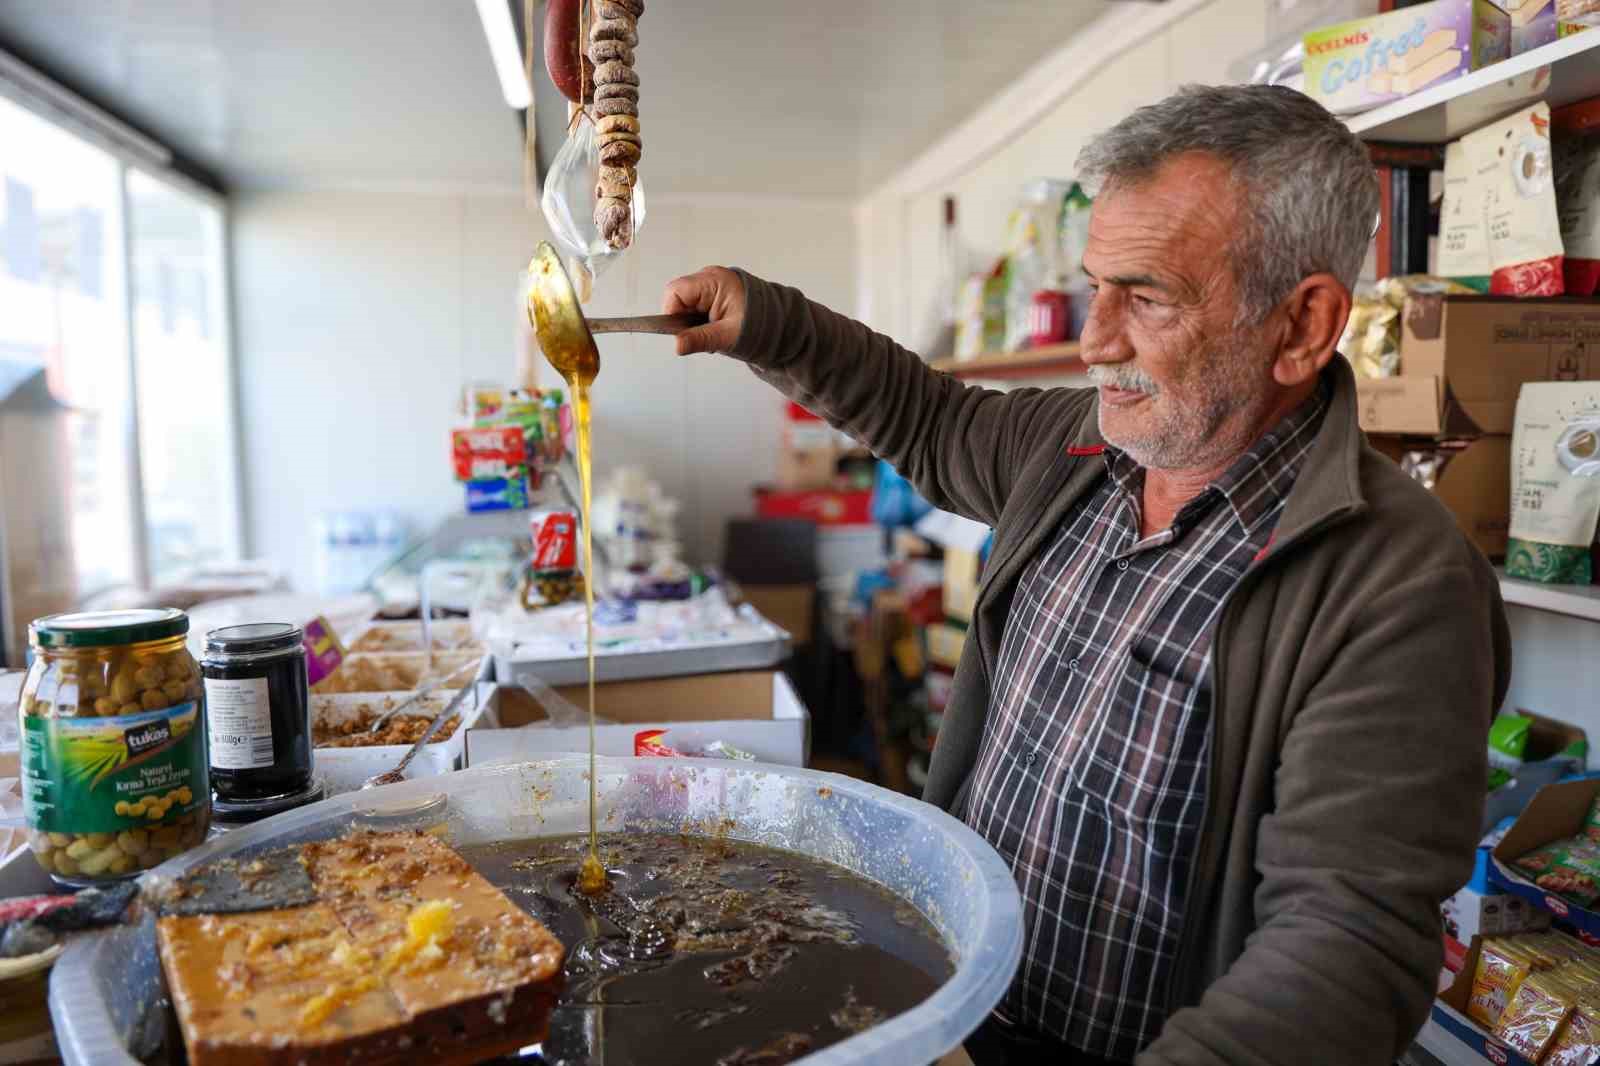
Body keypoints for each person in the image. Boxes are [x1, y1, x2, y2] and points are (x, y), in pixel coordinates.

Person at [662, 84, 1510, 1065]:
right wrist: (764, 321)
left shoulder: (1397, 584)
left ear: (1300, 325)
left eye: (1146, 295)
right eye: (1094, 283)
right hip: (949, 1000)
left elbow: (1344, 940)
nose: (1094, 338)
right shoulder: (1077, 444)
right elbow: (927, 416)